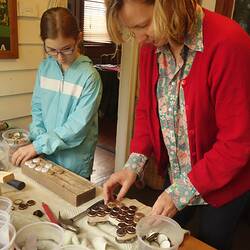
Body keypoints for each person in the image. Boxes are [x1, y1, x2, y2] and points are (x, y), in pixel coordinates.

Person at [103, 0, 250, 249]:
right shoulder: (152, 46)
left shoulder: (230, 43)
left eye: (144, 25)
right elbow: (146, 110)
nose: (139, 39)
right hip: (178, 176)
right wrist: (133, 165)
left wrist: (179, 193)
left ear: (169, 6)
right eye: (132, 30)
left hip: (225, 181)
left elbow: (237, 142)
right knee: (160, 236)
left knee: (207, 241)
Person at [11, 7, 102, 179]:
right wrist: (38, 142)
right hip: (43, 156)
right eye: (52, 50)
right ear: (43, 42)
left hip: (73, 163)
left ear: (78, 38)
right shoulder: (45, 68)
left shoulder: (90, 76)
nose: (59, 57)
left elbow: (77, 127)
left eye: (66, 48)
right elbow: (37, 108)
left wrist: (38, 146)